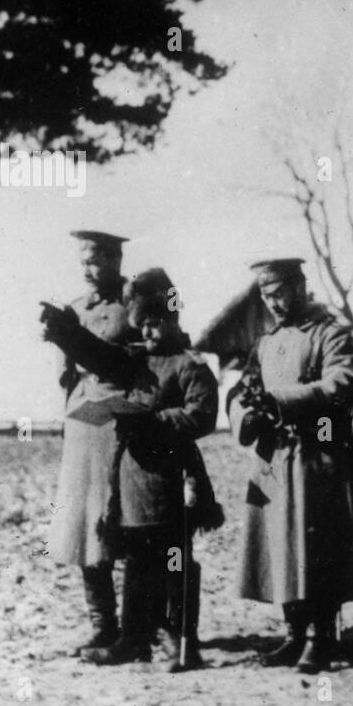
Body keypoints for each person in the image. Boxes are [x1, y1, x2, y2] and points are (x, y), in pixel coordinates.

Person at [41, 268, 220, 669]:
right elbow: (101, 358)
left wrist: (155, 422)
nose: (149, 334)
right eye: (143, 326)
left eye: (157, 324)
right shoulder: (138, 362)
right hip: (133, 478)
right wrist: (67, 333)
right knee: (139, 561)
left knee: (175, 560)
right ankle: (132, 640)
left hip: (172, 478)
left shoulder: (189, 365)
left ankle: (181, 639)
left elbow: (203, 416)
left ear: (174, 319)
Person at [227, 258, 353, 674]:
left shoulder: (329, 333)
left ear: (301, 287)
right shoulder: (267, 342)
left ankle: (322, 638)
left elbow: (342, 382)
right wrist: (243, 416)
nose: (274, 302)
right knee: (281, 548)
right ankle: (293, 634)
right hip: (274, 458)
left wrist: (282, 400)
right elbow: (241, 390)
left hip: (314, 456)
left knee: (316, 548)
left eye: (280, 292)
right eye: (266, 296)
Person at [46, 230, 136, 655]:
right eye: (83, 259)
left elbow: (131, 362)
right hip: (83, 423)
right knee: (85, 522)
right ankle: (103, 624)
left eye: (97, 259)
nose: (88, 268)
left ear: (117, 260)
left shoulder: (134, 305)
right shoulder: (76, 309)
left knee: (126, 519)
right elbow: (69, 373)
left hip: (121, 421)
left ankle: (140, 625)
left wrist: (75, 339)